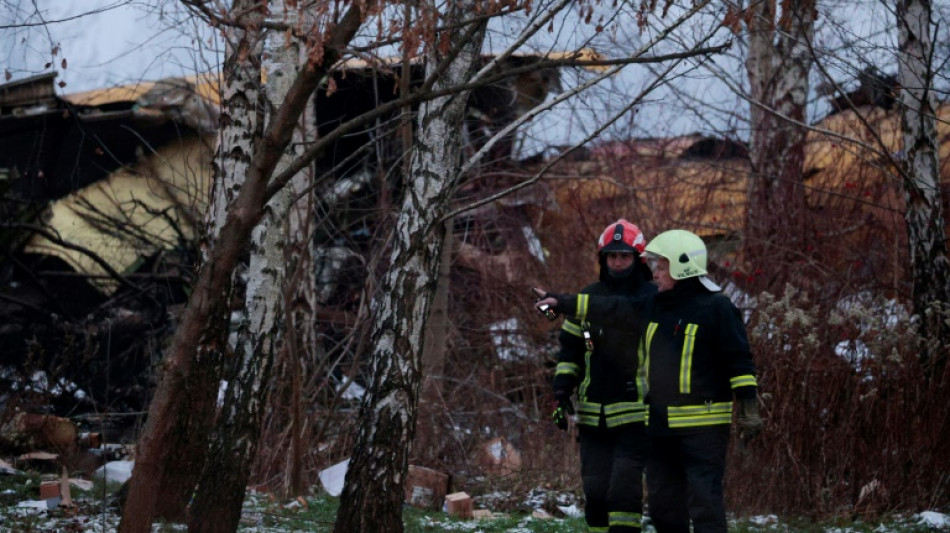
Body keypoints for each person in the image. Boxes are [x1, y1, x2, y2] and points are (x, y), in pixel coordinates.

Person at [536, 229, 764, 533]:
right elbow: (612, 308)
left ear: (682, 267)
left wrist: (747, 403)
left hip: (703, 428)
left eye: (662, 267)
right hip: (659, 427)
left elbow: (739, 360)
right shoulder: (655, 304)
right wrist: (563, 302)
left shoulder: (717, 308)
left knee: (704, 502)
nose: (654, 273)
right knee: (663, 508)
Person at [550, 219, 655, 533]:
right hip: (592, 415)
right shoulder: (587, 297)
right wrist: (561, 393)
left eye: (624, 256)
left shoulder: (650, 296)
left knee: (624, 486)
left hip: (636, 413)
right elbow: (571, 352)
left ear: (638, 259)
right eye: (612, 256)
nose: (618, 263)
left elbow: (623, 311)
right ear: (603, 259)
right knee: (595, 491)